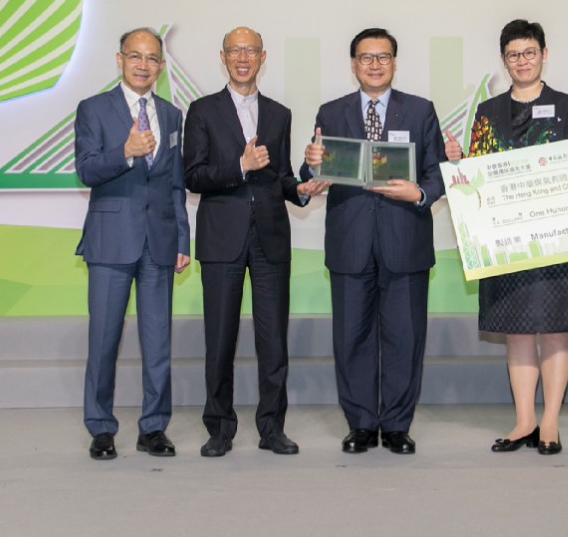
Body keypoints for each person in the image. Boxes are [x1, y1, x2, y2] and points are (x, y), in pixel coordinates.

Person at [443, 19, 568, 455]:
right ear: (503, 60)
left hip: (558, 236)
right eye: (513, 55)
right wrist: (458, 161)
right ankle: (524, 420)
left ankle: (550, 422)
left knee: (555, 328)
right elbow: (477, 176)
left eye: (529, 52)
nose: (522, 61)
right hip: (505, 240)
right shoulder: (488, 112)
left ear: (544, 54)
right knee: (517, 331)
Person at [182, 27, 328, 458]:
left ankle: (272, 428)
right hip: (221, 239)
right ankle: (219, 428)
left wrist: (300, 190)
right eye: (235, 50)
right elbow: (193, 176)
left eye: (250, 50)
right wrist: (240, 166)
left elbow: (280, 176)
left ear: (263, 57)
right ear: (223, 56)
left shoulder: (279, 114)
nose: (242, 57)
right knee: (219, 340)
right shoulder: (202, 111)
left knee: (273, 341)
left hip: (270, 239)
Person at [301, 27, 445, 455]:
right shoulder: (332, 111)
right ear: (354, 64)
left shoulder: (419, 110)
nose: (375, 64)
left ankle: (397, 425)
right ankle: (361, 424)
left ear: (394, 63)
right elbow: (313, 174)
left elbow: (437, 172)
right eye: (366, 57)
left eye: (383, 57)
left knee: (405, 338)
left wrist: (419, 193)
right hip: (350, 242)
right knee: (351, 338)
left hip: (406, 240)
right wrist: (310, 165)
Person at [74, 27, 191, 460]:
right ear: (119, 60)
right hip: (110, 242)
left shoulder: (172, 115)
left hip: (159, 242)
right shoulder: (93, 109)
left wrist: (182, 237)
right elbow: (86, 170)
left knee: (158, 342)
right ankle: (101, 428)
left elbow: (175, 183)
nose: (144, 65)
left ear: (161, 66)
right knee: (104, 339)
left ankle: (154, 427)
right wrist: (125, 151)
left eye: (152, 58)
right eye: (135, 56)